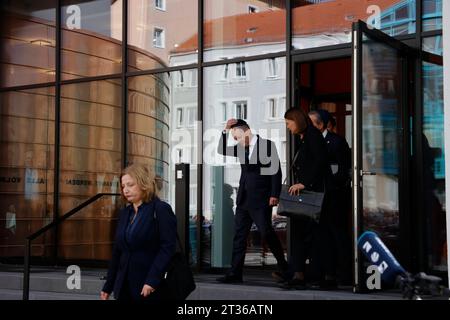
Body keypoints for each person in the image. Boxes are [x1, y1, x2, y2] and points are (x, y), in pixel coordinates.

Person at [216, 119, 288, 283]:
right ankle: (235, 274)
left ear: (246, 131)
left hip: (261, 199)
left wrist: (274, 194)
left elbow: (275, 171)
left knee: (266, 232)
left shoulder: (267, 145)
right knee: (239, 236)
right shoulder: (241, 148)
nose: (236, 140)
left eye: (237, 137)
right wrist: (226, 130)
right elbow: (221, 149)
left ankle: (284, 266)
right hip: (243, 200)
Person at [100, 163, 177, 301]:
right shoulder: (125, 213)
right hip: (123, 286)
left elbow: (167, 248)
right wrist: (108, 285)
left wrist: (152, 280)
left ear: (143, 184)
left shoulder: (160, 209)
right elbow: (118, 251)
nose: (126, 190)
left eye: (130, 185)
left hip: (149, 286)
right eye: (123, 186)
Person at [282, 108, 330, 290]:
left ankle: (312, 275)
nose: (287, 127)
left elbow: (320, 162)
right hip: (306, 197)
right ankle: (298, 274)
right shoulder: (304, 137)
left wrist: (304, 184)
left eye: (288, 123)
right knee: (301, 235)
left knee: (312, 236)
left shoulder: (313, 136)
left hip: (311, 196)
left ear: (297, 121)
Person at [309, 109, 352, 285]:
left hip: (334, 197)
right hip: (316, 196)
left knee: (337, 234)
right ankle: (323, 273)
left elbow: (344, 170)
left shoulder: (337, 142)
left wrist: (331, 183)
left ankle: (344, 274)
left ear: (321, 124)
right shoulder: (309, 142)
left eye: (311, 122)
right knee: (320, 236)